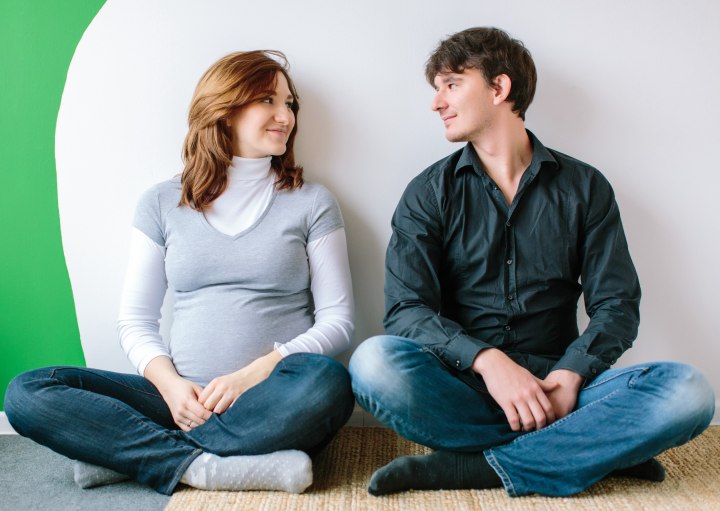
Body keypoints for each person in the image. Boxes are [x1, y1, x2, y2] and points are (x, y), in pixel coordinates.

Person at [349, 27, 715, 498]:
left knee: (688, 391)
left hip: (562, 394)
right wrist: (488, 361)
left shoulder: (586, 188)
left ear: (499, 88)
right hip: (464, 388)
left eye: (451, 84)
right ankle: (590, 452)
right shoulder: (428, 192)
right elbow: (406, 310)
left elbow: (617, 305)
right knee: (373, 363)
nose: (436, 103)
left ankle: (478, 466)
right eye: (436, 89)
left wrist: (570, 374)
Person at [5, 50, 355, 495]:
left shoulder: (312, 202)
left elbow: (338, 322)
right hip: (178, 400)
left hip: (272, 399)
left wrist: (252, 374)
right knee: (28, 391)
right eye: (268, 100)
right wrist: (171, 387)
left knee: (330, 382)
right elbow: (135, 320)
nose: (285, 115)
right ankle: (204, 466)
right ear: (224, 109)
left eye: (290, 104)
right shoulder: (161, 203)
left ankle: (133, 456)